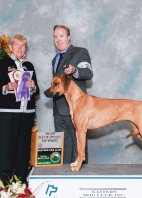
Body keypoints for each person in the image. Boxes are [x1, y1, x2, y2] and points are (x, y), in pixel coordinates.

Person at [0, 34, 40, 185]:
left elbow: (36, 91)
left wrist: (33, 86)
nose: (19, 48)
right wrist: (6, 87)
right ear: (10, 47)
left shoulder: (29, 66)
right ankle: (5, 182)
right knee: (7, 148)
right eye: (16, 45)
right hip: (8, 113)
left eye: (22, 45)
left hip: (27, 113)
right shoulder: (3, 63)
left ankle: (21, 181)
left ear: (25, 48)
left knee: (23, 148)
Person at [51, 25, 93, 164]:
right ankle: (64, 179)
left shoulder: (80, 52)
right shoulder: (55, 59)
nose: (58, 39)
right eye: (55, 37)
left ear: (68, 37)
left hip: (76, 107)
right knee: (64, 149)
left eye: (61, 36)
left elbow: (88, 73)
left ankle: (80, 179)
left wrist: (75, 70)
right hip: (58, 109)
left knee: (78, 144)